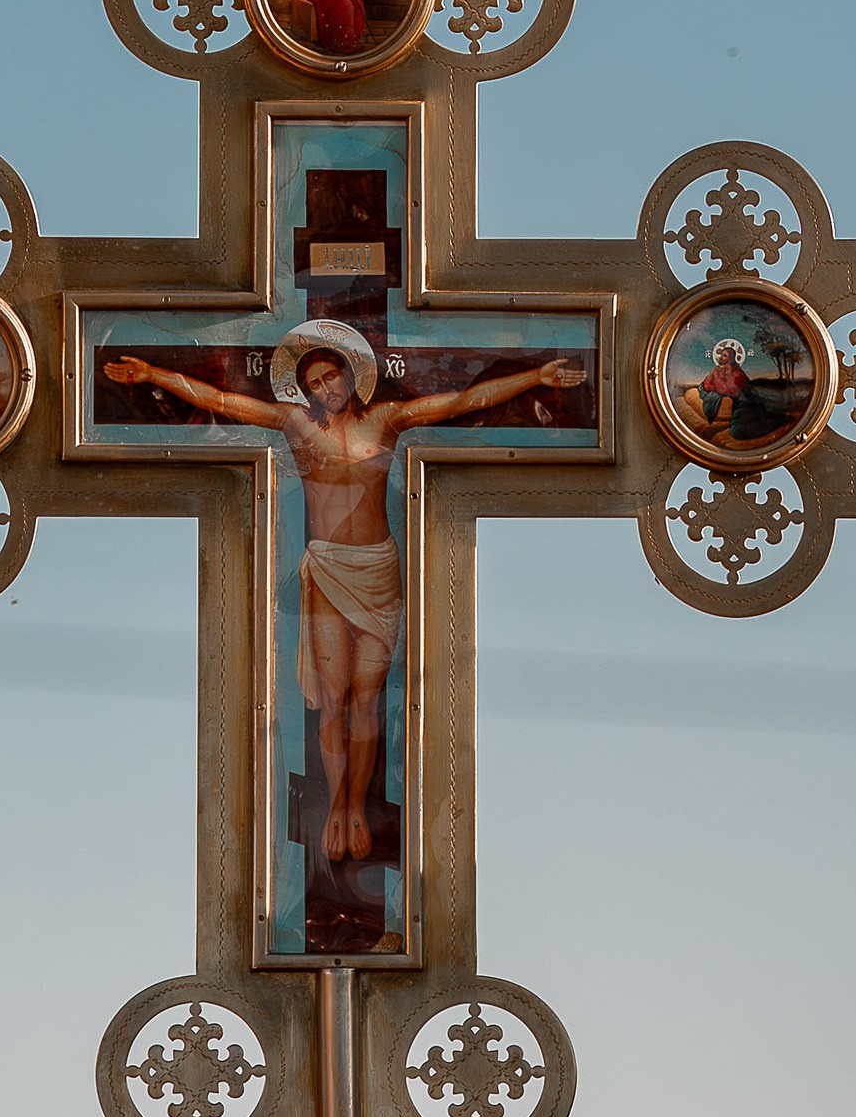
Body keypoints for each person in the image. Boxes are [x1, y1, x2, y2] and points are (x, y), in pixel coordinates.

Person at [99, 332, 577, 873]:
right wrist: (155, 375)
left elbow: (466, 402)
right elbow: (223, 403)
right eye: (314, 383)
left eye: (332, 377)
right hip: (328, 570)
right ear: (304, 391)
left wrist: (535, 378)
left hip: (378, 572)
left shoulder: (387, 422)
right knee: (333, 698)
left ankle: (357, 806)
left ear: (352, 376)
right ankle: (338, 806)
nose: (326, 389)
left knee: (367, 702)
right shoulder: (296, 426)